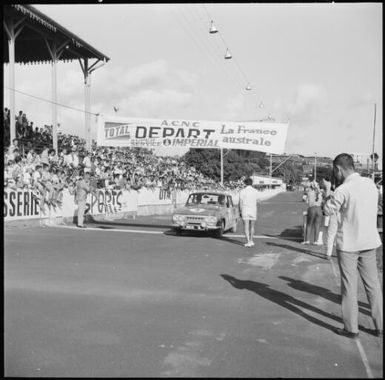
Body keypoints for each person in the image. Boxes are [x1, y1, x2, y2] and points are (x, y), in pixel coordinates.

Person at [324, 153, 383, 339]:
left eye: (336, 171)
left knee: (349, 288)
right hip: (369, 241)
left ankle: (351, 329)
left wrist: (327, 191)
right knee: (373, 285)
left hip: (349, 244)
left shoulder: (343, 189)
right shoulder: (370, 184)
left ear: (339, 169)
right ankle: (380, 326)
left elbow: (328, 209)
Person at [238, 177, 259, 247]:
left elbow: (240, 203)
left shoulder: (242, 191)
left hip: (245, 209)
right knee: (252, 226)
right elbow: (258, 200)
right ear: (252, 183)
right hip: (253, 209)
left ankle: (248, 241)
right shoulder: (255, 191)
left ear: (245, 183)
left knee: (246, 226)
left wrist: (240, 211)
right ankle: (251, 240)